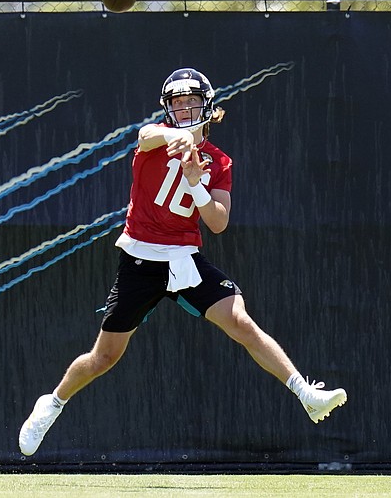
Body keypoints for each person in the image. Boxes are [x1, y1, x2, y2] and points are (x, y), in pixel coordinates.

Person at [18, 68, 347, 456]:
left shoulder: (218, 161)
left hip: (183, 260)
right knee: (104, 357)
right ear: (167, 108)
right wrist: (179, 137)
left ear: (207, 106)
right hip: (141, 259)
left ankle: (304, 392)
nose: (186, 108)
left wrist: (195, 182)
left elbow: (218, 222)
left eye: (193, 101)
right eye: (178, 102)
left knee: (240, 321)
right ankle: (53, 402)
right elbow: (147, 135)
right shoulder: (156, 137)